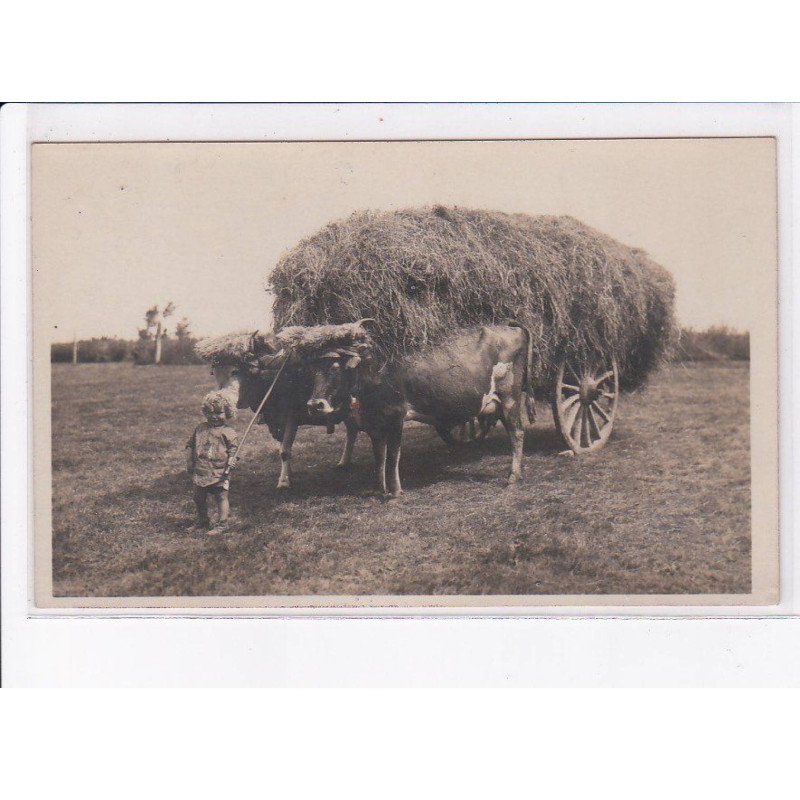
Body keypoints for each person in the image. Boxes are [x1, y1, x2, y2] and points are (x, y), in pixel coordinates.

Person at [186, 391, 239, 535]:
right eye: (210, 412)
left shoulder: (228, 432)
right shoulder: (200, 428)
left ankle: (223, 523)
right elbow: (190, 445)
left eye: (218, 413)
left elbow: (234, 450)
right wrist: (189, 461)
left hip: (220, 471)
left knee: (221, 496)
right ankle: (203, 520)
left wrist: (233, 459)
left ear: (227, 412)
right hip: (202, 470)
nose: (214, 416)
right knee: (198, 497)